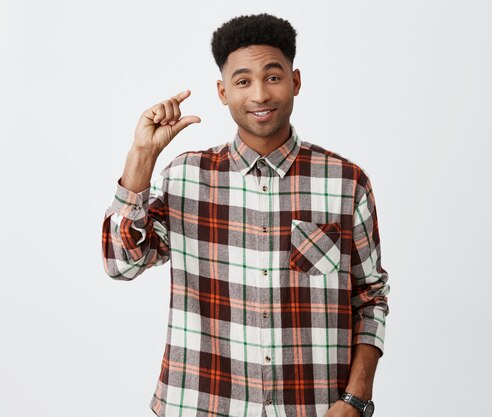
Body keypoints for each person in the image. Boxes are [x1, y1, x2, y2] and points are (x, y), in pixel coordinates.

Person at [101, 13, 389, 417]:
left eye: (273, 77)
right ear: (222, 91)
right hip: (202, 404)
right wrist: (142, 158)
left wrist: (355, 400)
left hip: (311, 408)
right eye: (242, 81)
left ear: (296, 81)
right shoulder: (186, 177)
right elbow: (120, 264)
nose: (259, 95)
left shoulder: (345, 182)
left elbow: (370, 297)